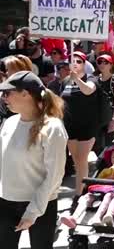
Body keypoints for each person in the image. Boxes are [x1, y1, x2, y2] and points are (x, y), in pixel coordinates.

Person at [0, 71, 68, 249]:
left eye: (7, 93)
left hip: (41, 204)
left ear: (26, 93)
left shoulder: (52, 127)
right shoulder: (9, 123)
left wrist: (33, 212)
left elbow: (55, 175)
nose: (3, 97)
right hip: (6, 201)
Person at [60, 145, 114, 228]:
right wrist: (108, 177)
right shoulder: (105, 170)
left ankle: (97, 217)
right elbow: (98, 179)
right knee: (86, 197)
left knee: (108, 196)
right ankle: (74, 217)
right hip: (101, 188)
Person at [61, 52, 102, 196]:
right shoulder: (66, 81)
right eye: (72, 61)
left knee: (82, 159)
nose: (75, 63)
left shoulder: (91, 79)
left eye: (79, 61)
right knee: (76, 161)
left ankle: (80, 193)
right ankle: (83, 189)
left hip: (87, 125)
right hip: (70, 125)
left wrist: (77, 79)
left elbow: (88, 90)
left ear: (84, 64)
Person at [94, 54, 114, 156]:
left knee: (109, 144)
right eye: (100, 62)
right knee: (97, 146)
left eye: (105, 62)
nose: (102, 64)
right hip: (98, 117)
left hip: (111, 116)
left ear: (111, 65)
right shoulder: (95, 80)